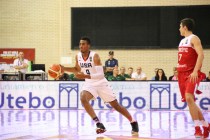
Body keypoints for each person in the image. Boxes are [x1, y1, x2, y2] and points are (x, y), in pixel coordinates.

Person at [61, 37, 139, 135]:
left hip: (101, 83)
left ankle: (133, 121)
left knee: (116, 106)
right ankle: (98, 123)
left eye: (83, 44)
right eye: (80, 44)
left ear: (88, 46)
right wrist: (64, 69)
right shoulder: (78, 56)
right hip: (89, 83)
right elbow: (77, 69)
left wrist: (84, 75)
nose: (81, 46)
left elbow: (101, 75)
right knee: (83, 98)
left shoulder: (95, 56)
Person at [177, 18, 209, 138]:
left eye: (180, 26)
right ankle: (206, 126)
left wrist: (196, 71)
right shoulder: (181, 41)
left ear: (185, 27)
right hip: (181, 74)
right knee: (191, 102)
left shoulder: (194, 38)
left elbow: (201, 54)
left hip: (191, 73)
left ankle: (197, 128)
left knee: (189, 98)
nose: (179, 28)